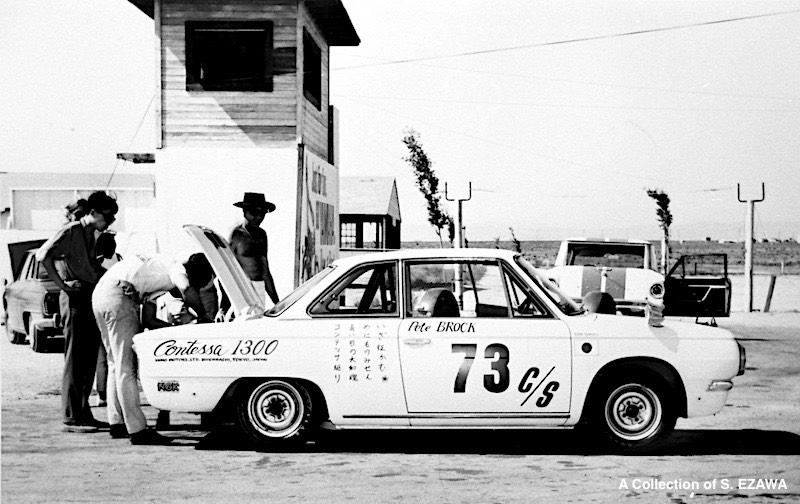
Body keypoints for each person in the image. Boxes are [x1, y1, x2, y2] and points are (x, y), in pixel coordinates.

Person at [92, 252, 214, 445]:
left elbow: (149, 317)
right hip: (119, 295)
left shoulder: (156, 268)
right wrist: (203, 316)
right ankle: (138, 431)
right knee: (127, 367)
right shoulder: (177, 266)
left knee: (115, 362)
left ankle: (117, 422)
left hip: (102, 293)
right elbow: (186, 288)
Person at [37, 191, 118, 432]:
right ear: (93, 213)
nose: (109, 222)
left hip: (89, 295)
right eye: (107, 217)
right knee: (75, 359)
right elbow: (44, 255)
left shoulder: (92, 235)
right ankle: (72, 416)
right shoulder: (71, 230)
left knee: (89, 357)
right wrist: (63, 287)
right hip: (75, 296)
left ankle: (83, 412)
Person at [229, 192, 279, 306]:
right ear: (244, 211)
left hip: (259, 288)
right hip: (242, 290)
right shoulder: (236, 234)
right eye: (254, 213)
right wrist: (224, 305)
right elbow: (228, 268)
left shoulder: (262, 235)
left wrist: (277, 302)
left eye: (262, 213)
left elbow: (265, 269)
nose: (259, 217)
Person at [92, 232, 122, 408]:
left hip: (112, 308)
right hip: (106, 307)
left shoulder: (115, 259)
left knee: (107, 355)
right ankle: (103, 393)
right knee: (105, 355)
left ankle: (107, 393)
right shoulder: (101, 262)